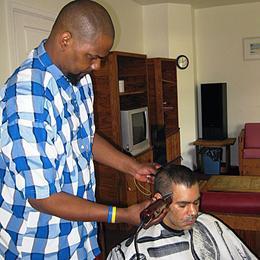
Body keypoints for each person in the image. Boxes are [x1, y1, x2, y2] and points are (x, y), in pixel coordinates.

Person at [0, 1, 158, 259]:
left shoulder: (78, 79)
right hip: (39, 244)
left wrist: (132, 167)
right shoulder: (26, 96)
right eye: (92, 56)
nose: (97, 66)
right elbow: (44, 198)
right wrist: (121, 215)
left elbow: (84, 137)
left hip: (78, 236)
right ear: (65, 39)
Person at [108, 164, 257, 260]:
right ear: (159, 200)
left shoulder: (210, 224)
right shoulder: (132, 250)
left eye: (196, 202)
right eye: (183, 205)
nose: (193, 212)